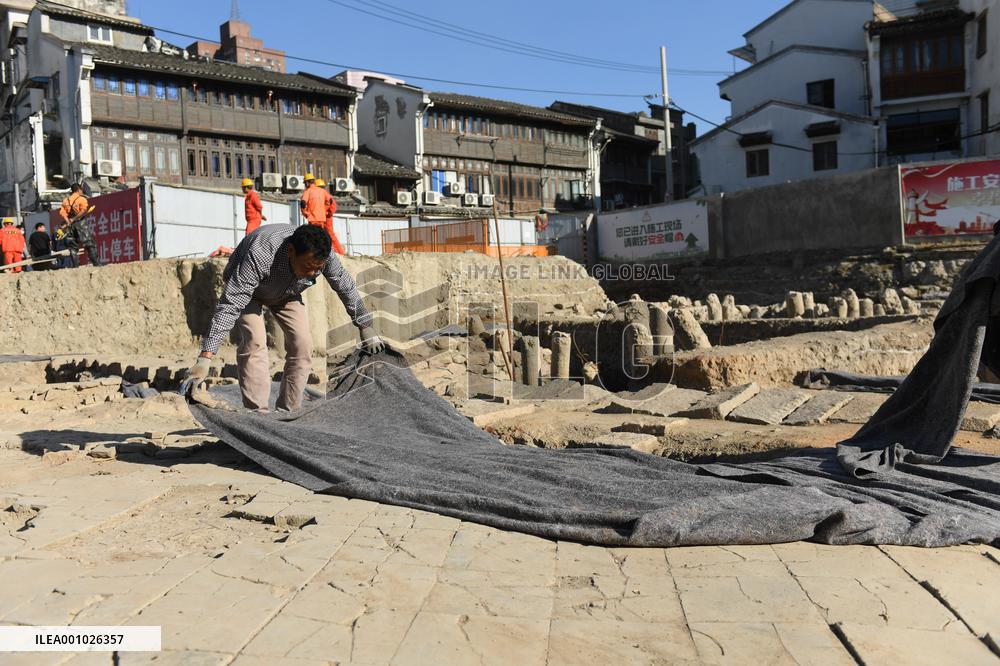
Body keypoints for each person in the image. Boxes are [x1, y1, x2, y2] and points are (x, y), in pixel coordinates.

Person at [185, 224, 385, 411]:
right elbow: (230, 305)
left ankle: (287, 412)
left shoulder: (324, 256)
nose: (313, 273)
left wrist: (364, 324)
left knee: (303, 344)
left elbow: (345, 286)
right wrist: (206, 357)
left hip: (287, 291)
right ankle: (258, 415)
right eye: (308, 266)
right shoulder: (261, 253)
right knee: (255, 341)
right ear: (291, 251)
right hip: (249, 292)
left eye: (318, 269)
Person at [59, 184, 102, 267]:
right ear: (79, 190)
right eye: (81, 190)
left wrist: (68, 221)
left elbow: (62, 213)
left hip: (70, 226)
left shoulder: (65, 201)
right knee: (89, 243)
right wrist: (74, 219)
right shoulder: (81, 199)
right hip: (80, 223)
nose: (82, 191)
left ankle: (75, 266)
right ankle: (97, 264)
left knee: (73, 246)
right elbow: (83, 211)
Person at [315, 179, 345, 255]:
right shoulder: (322, 195)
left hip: (326, 217)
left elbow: (333, 206)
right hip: (322, 216)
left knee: (330, 235)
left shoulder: (325, 195)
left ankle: (339, 252)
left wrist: (328, 214)